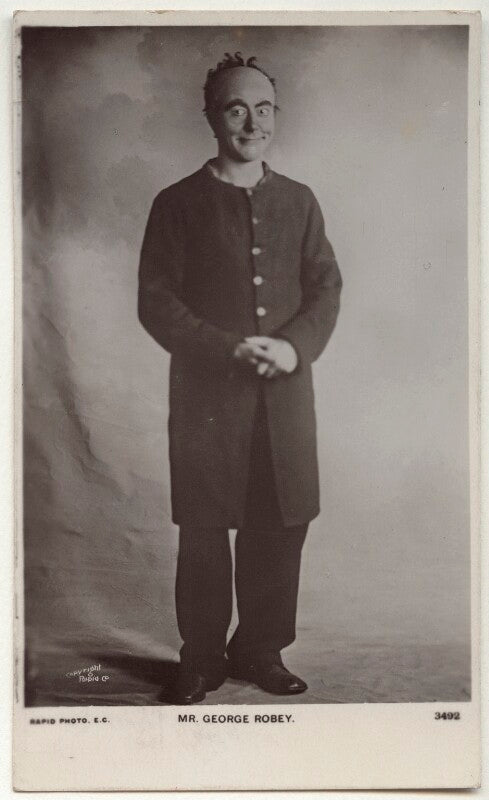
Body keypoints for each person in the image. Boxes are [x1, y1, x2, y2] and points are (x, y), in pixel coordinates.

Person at [138, 52, 342, 705]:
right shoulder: (177, 203)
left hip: (285, 398)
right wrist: (228, 349)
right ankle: (200, 658)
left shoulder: (299, 201)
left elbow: (325, 290)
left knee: (278, 525)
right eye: (235, 108)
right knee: (205, 528)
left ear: (275, 115)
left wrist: (292, 348)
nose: (252, 123)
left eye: (263, 108)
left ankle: (259, 649)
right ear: (210, 117)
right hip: (207, 400)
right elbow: (157, 302)